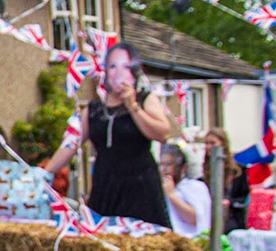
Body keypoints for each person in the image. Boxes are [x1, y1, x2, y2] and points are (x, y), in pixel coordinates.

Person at [42, 42, 173, 226]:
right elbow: (71, 145)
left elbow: (163, 133)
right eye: (113, 66)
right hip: (106, 184)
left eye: (126, 67)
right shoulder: (94, 109)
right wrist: (45, 173)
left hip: (140, 185)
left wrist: (132, 106)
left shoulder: (145, 100)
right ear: (106, 72)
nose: (119, 73)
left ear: (134, 72)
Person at [160, 143, 213, 238]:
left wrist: (171, 195)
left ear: (183, 168)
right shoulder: (160, 187)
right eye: (161, 164)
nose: (164, 169)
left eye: (168, 164)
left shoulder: (194, 187)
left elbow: (194, 219)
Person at [205, 126, 248, 231]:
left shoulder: (238, 170)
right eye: (206, 143)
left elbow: (244, 196)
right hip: (208, 217)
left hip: (231, 219)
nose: (208, 147)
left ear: (223, 144)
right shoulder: (203, 170)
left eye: (212, 143)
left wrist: (229, 202)